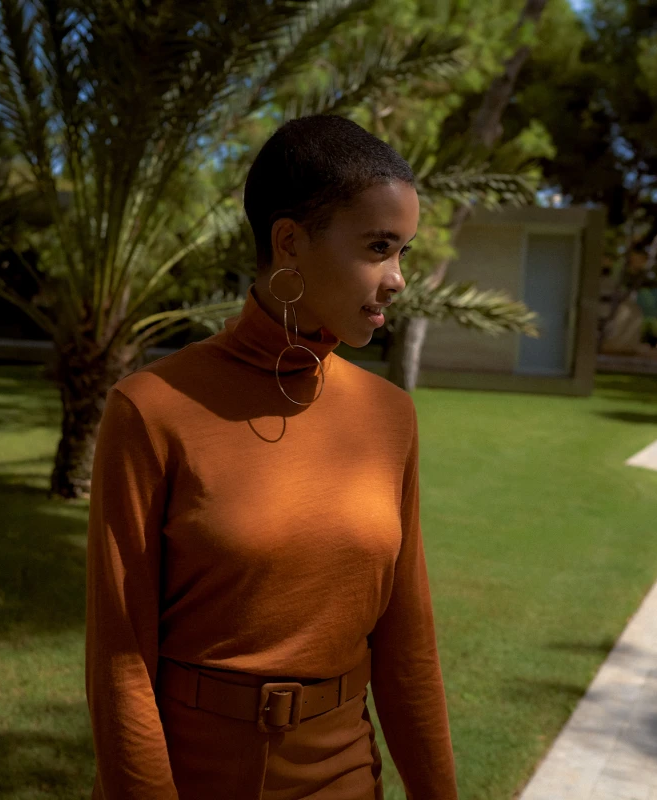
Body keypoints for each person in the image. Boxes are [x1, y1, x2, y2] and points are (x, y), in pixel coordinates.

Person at [85, 114, 458, 799]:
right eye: (378, 247)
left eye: (402, 251)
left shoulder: (389, 416)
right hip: (196, 775)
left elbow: (407, 645)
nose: (398, 278)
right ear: (289, 241)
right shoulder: (151, 410)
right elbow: (119, 661)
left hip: (346, 774)